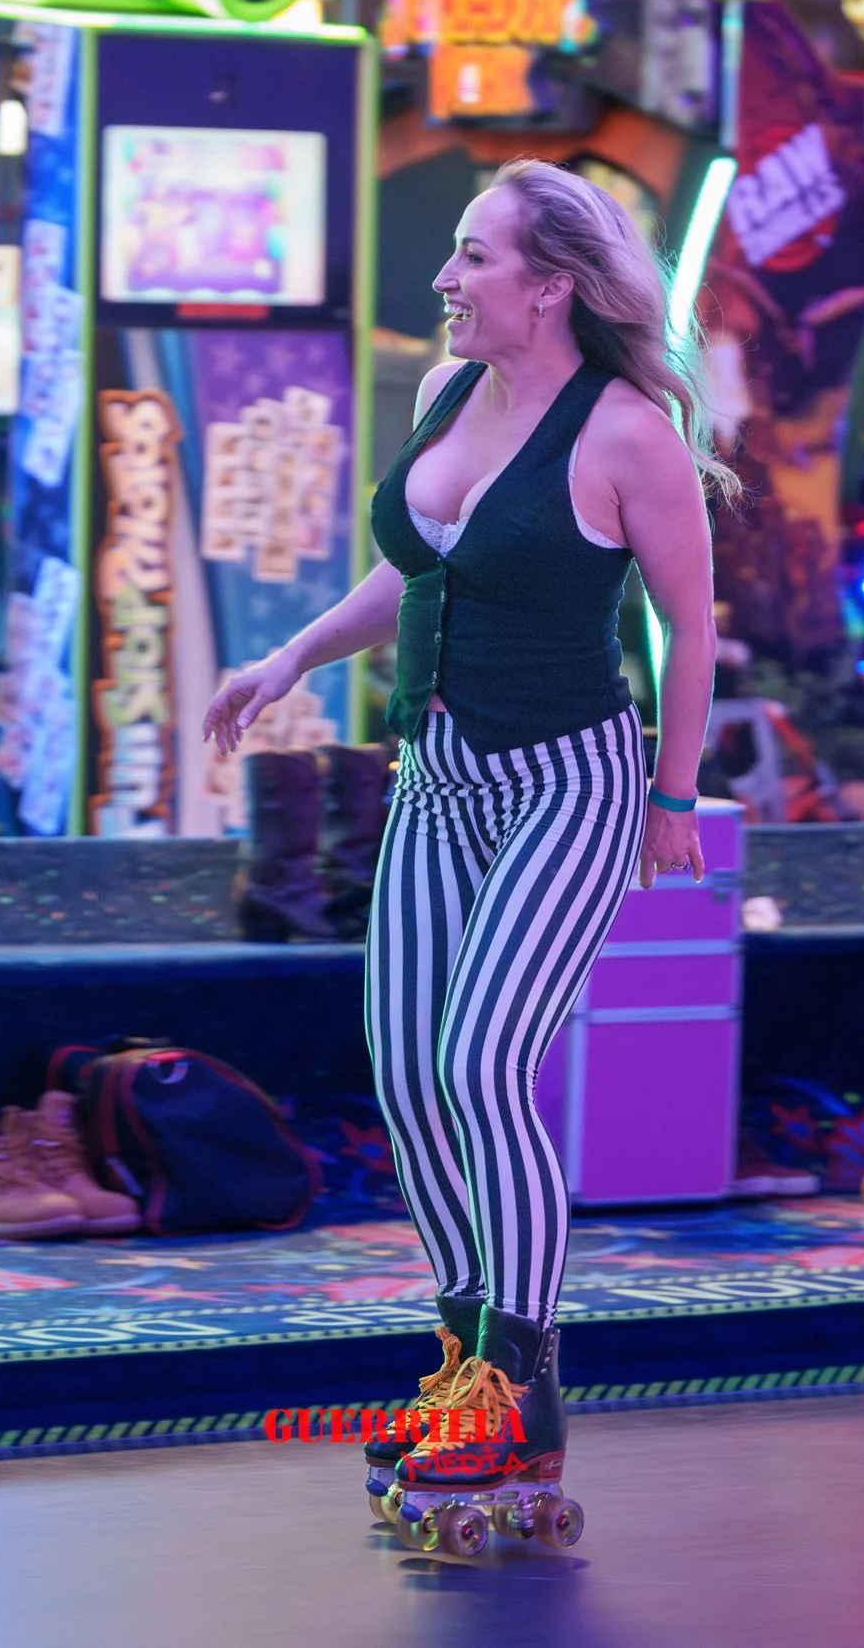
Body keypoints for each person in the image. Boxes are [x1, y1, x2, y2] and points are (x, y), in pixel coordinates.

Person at [203, 159, 720, 1515]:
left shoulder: (623, 433)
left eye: (473, 255)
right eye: (455, 251)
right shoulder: (446, 396)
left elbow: (691, 622)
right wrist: (294, 656)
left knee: (482, 1058)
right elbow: (416, 564)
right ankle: (461, 1361)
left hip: (572, 780)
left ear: (550, 284)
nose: (446, 277)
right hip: (437, 774)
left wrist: (672, 798)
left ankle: (526, 1384)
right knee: (411, 1076)